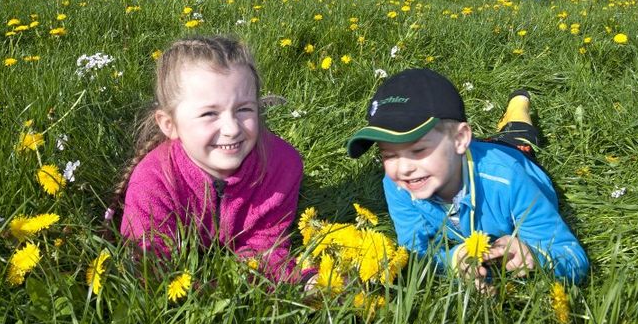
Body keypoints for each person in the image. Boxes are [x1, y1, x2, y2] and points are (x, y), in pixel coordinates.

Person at [345, 68, 589, 287]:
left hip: (515, 156)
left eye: (418, 150)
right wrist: (453, 260)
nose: (404, 168)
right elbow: (414, 252)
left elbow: (573, 257)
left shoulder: (509, 180)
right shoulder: (397, 184)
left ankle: (519, 106)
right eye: (389, 155)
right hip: (472, 155)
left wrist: (536, 257)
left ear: (460, 139)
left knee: (522, 136)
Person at [112, 36, 304, 280]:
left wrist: (307, 282)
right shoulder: (151, 183)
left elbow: (267, 249)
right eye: (209, 113)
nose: (232, 128)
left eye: (244, 109)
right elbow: (148, 267)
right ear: (169, 125)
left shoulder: (282, 168)